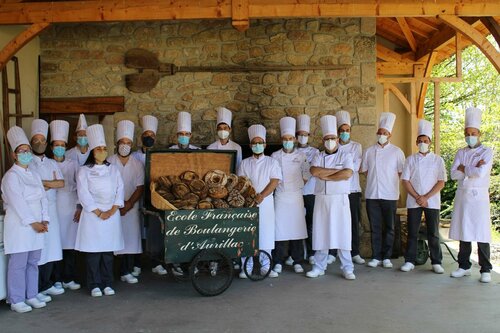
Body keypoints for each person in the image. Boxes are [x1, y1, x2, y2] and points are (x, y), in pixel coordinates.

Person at [2, 126, 49, 313]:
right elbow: (18, 203)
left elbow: (43, 198)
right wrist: (33, 222)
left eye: (27, 150)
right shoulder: (11, 177)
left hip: (38, 225)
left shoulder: (35, 174)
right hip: (21, 227)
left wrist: (45, 219)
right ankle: (16, 299)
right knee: (19, 263)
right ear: (14, 155)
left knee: (33, 262)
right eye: (21, 151)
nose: (26, 153)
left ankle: (31, 294)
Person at [75, 124, 125, 297]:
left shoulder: (113, 169)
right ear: (92, 151)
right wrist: (98, 212)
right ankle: (94, 284)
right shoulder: (83, 171)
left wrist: (111, 210)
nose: (102, 151)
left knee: (107, 253)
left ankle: (108, 282)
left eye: (104, 148)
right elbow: (83, 194)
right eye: (99, 149)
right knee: (93, 253)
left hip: (111, 215)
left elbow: (120, 190)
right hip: (92, 216)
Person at [306, 115, 356, 280]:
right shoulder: (318, 156)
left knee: (343, 233)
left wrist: (326, 175)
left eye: (333, 138)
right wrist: (336, 173)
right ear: (323, 139)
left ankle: (347, 268)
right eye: (327, 138)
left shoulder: (345, 155)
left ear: (337, 139)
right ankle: (319, 266)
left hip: (340, 200)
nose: (330, 141)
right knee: (321, 233)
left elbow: (347, 173)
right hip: (322, 199)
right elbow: (314, 171)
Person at [449, 107, 493, 283]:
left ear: (479, 133)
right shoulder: (461, 152)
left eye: (473, 133)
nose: (470, 136)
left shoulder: (487, 151)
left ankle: (485, 269)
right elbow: (453, 174)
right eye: (467, 133)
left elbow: (481, 173)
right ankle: (464, 266)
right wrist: (472, 168)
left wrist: (465, 168)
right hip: (463, 196)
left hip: (479, 197)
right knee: (464, 231)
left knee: (481, 232)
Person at [400, 119, 446, 274]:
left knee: (433, 232)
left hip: (432, 200)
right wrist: (417, 196)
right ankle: (409, 261)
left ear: (430, 142)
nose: (422, 143)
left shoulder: (437, 160)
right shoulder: (410, 159)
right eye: (420, 141)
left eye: (425, 141)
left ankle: (436, 262)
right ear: (416, 142)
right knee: (412, 232)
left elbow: (441, 182)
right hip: (413, 200)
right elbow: (405, 180)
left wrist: (425, 197)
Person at [360, 112, 405, 269]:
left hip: (390, 194)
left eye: (385, 133)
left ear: (390, 134)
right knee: (375, 227)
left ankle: (386, 256)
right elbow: (365, 170)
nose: (382, 135)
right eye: (380, 132)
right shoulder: (368, 151)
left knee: (389, 227)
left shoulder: (397, 152)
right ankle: (376, 256)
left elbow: (401, 172)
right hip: (372, 194)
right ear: (377, 133)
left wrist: (388, 182)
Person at [238, 124, 281, 279]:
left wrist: (262, 195)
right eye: (254, 143)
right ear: (250, 145)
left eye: (260, 143)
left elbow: (275, 181)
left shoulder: (272, 162)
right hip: (248, 203)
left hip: (267, 203)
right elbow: (241, 183)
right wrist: (250, 197)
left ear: (265, 144)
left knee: (266, 234)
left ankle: (266, 266)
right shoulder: (244, 163)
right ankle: (246, 267)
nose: (257, 145)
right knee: (247, 234)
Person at [29, 119, 65, 297]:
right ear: (31, 142)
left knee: (52, 247)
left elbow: (61, 183)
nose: (40, 143)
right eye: (36, 140)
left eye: (43, 140)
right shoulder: (28, 163)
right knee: (39, 249)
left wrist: (44, 183)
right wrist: (49, 184)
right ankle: (38, 286)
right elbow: (29, 185)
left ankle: (48, 282)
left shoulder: (52, 163)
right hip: (35, 210)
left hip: (52, 210)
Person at [108, 120, 144, 284]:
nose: (125, 145)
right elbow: (105, 185)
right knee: (113, 238)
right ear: (117, 144)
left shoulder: (136, 163)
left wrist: (128, 204)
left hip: (131, 207)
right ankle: (113, 272)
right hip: (112, 207)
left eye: (128, 143)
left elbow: (140, 186)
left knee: (130, 239)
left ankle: (127, 270)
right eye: (122, 142)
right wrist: (117, 204)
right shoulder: (109, 161)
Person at [271, 117, 309, 275]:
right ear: (282, 140)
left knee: (297, 228)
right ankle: (278, 261)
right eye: (285, 139)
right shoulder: (274, 156)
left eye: (290, 139)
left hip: (296, 196)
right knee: (279, 230)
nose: (288, 141)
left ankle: (297, 260)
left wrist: (297, 186)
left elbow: (307, 175)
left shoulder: (301, 156)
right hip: (280, 195)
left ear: (294, 139)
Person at [50, 120, 82, 290]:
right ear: (51, 147)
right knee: (55, 245)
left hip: (70, 208)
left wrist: (79, 207)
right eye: (57, 145)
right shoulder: (47, 164)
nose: (60, 148)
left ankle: (68, 278)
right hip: (53, 208)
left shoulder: (73, 164)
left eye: (62, 145)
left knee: (70, 245)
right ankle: (56, 279)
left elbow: (80, 187)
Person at [335, 110, 365, 265]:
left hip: (352, 190)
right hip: (335, 191)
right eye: (342, 131)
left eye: (347, 130)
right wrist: (343, 169)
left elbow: (354, 167)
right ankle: (334, 252)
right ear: (337, 132)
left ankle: (355, 252)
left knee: (353, 222)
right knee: (335, 222)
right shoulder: (332, 145)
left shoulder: (356, 146)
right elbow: (339, 167)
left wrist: (338, 169)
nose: (345, 133)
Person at [132, 114, 158, 277]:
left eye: (152, 135)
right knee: (137, 230)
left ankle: (156, 263)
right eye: (146, 135)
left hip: (154, 198)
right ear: (141, 137)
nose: (149, 138)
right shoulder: (134, 156)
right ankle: (136, 263)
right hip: (137, 198)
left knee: (154, 230)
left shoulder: (159, 155)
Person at [295, 114, 319, 265]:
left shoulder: (316, 152)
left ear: (309, 135)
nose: (302, 137)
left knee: (311, 223)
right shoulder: (290, 151)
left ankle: (311, 252)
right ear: (296, 136)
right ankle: (296, 254)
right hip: (295, 193)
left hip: (310, 192)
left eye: (305, 135)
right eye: (300, 135)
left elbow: (311, 170)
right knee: (296, 223)